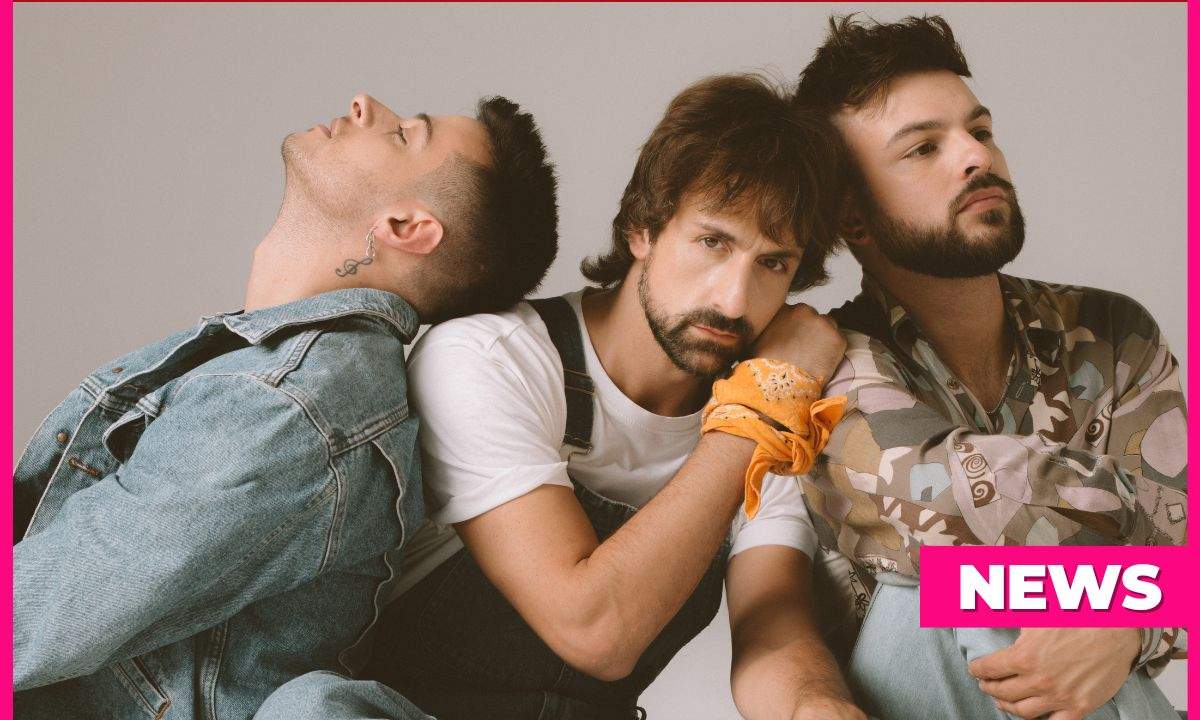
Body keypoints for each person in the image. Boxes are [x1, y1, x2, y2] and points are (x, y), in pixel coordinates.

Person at [256, 74, 854, 720]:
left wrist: (819, 708)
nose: (734, 300)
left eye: (773, 263)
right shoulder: (493, 358)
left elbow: (774, 630)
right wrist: (755, 413)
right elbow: (594, 629)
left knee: (909, 615)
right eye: (713, 242)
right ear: (643, 229)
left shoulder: (783, 402)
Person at [13, 92, 559, 719]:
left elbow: (39, 611)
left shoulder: (295, 403)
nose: (364, 104)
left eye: (405, 134)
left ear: (406, 227)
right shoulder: (272, 368)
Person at [758, 15, 1186, 720]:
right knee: (947, 591)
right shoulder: (827, 366)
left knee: (980, 588)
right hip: (909, 694)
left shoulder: (1112, 333)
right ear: (853, 218)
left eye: (980, 130)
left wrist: (1126, 629)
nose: (975, 156)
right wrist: (1141, 587)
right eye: (923, 148)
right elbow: (1174, 554)